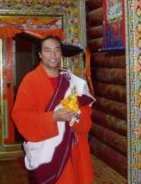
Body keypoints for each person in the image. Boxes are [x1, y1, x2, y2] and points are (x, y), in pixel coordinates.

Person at [12, 35, 95, 184]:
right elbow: (20, 117)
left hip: (74, 148)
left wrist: (75, 115)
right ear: (40, 54)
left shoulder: (72, 81)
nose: (53, 55)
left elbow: (86, 115)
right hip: (47, 150)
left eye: (57, 50)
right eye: (47, 50)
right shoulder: (29, 82)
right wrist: (53, 117)